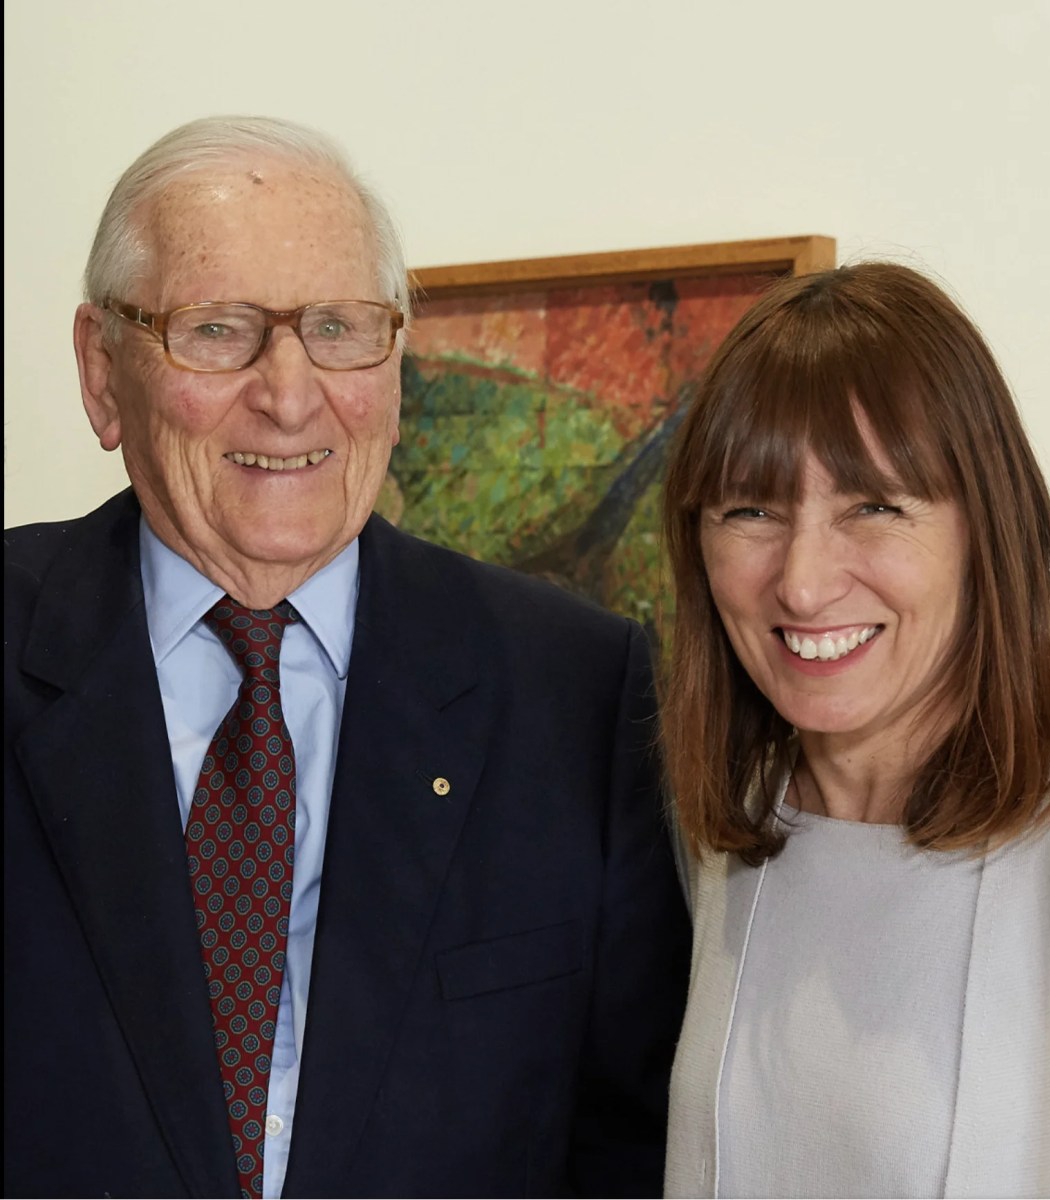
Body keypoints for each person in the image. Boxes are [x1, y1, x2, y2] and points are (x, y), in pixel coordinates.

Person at [4, 115, 691, 1200]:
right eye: (219, 328)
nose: (289, 392)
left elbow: (631, 1149)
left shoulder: (576, 692)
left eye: (338, 327)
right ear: (102, 371)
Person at [658, 262, 1050, 1198]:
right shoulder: (724, 844)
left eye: (874, 506)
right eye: (752, 508)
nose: (803, 582)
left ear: (986, 529)